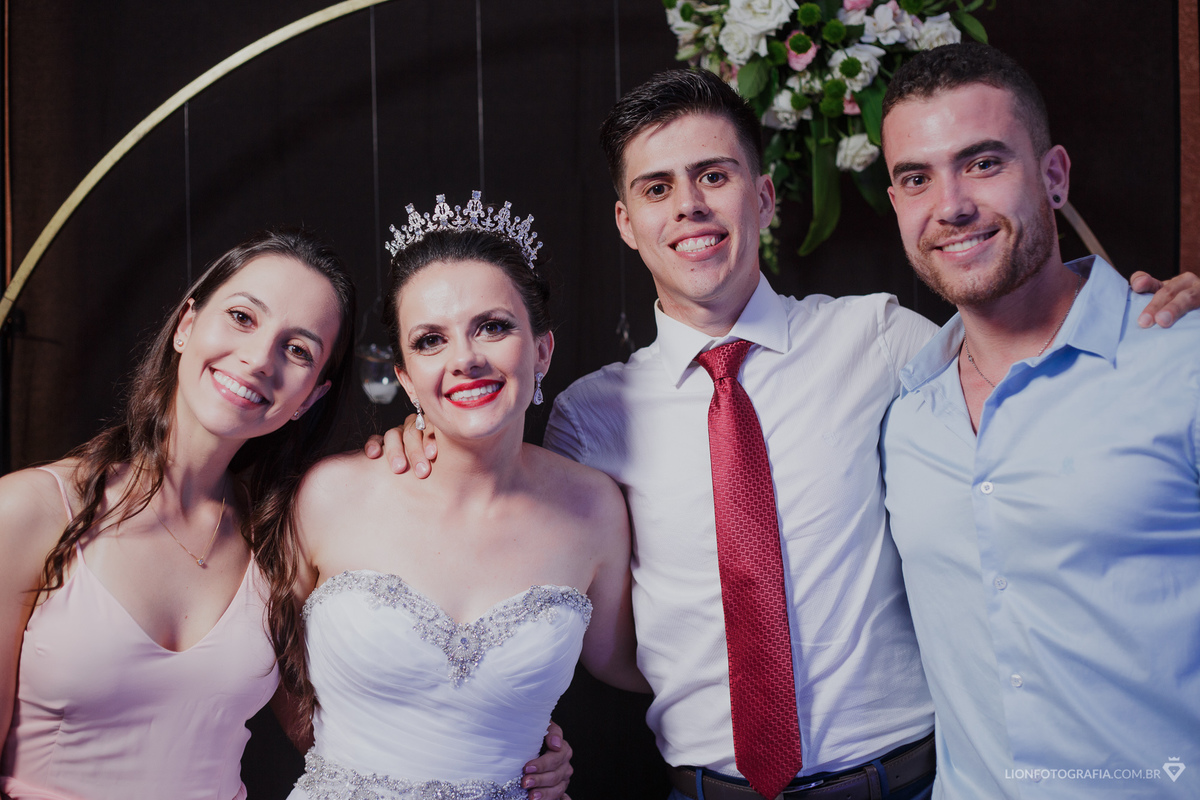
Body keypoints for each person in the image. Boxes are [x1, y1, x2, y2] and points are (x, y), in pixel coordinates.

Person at [374, 71, 1200, 800]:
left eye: (714, 175)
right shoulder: (590, 416)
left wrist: (1141, 308)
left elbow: (1017, 350)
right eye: (658, 188)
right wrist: (422, 435)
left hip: (908, 783)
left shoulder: (882, 339)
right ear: (626, 223)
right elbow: (566, 607)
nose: (689, 205)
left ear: (764, 197)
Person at [0, 228, 572, 800]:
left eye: (297, 350)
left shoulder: (275, 533)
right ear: (186, 324)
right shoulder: (30, 511)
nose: (257, 360)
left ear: (311, 397)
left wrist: (505, 756)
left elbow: (339, 735)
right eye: (242, 318)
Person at [879, 43, 1200, 798]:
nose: (951, 205)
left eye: (983, 163)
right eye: (917, 178)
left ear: (1054, 176)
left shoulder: (1181, 367)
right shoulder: (902, 416)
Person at [281, 193, 647, 800]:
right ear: (405, 378)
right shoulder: (329, 495)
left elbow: (636, 663)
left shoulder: (595, 508)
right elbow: (264, 660)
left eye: (493, 327)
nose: (465, 359)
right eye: (430, 340)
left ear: (542, 350)